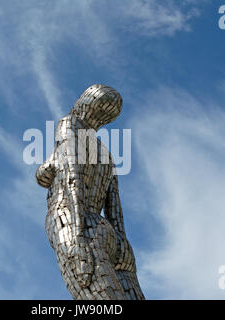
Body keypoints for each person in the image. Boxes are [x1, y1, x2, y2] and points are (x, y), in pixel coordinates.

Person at [36, 84, 145, 300]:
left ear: (85, 102)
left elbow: (72, 178)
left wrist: (77, 238)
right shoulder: (106, 154)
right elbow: (115, 209)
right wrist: (123, 245)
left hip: (76, 222)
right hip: (108, 233)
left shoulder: (70, 124)